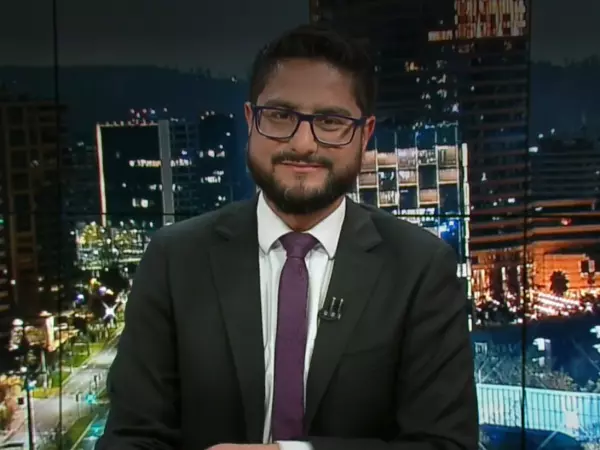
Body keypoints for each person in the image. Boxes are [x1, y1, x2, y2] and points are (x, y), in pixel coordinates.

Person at [97, 24, 478, 450]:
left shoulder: (420, 268)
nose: (303, 143)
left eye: (330, 121)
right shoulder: (174, 259)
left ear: (365, 134)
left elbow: (445, 445)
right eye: (280, 116)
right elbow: (130, 437)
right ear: (250, 121)